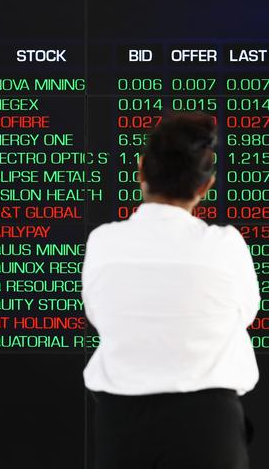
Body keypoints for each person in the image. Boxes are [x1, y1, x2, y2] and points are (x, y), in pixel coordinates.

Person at [82, 112, 259, 469]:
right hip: (210, 428)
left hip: (122, 426)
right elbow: (244, 314)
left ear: (141, 169)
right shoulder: (226, 246)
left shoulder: (103, 242)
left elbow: (97, 315)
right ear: (203, 187)